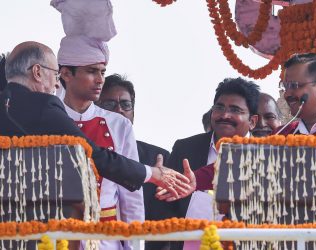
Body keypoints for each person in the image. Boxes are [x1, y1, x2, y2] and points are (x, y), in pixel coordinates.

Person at [0, 42, 192, 212]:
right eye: (55, 74)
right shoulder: (44, 105)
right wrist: (152, 174)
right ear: (37, 72)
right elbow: (91, 154)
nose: (57, 84)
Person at [58, 43, 144, 248]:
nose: (100, 80)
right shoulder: (47, 118)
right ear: (66, 74)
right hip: (55, 236)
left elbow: (131, 195)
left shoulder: (119, 124)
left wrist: (132, 245)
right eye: (91, 71)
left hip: (106, 239)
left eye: (102, 72)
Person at [163, 77, 260, 250]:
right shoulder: (185, 148)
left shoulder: (266, 154)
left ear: (252, 121)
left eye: (235, 110)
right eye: (219, 108)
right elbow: (166, 206)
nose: (225, 115)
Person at [96, 74, 170, 250]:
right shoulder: (88, 153)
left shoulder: (158, 157)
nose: (119, 110)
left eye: (125, 105)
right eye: (109, 104)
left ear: (133, 112)